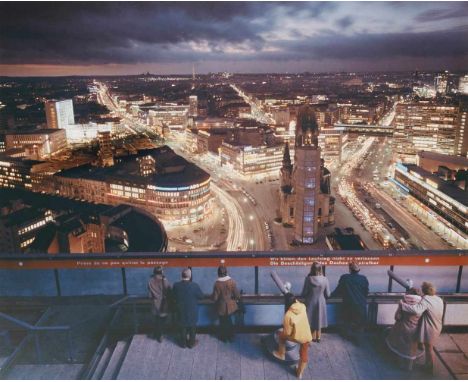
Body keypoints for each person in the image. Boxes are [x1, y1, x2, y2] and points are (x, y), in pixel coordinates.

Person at [400, 282, 443, 375]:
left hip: (430, 327)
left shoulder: (426, 299)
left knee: (429, 349)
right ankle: (427, 365)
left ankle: (430, 370)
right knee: (429, 347)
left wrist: (402, 305)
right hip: (438, 325)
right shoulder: (438, 298)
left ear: (424, 290)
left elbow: (416, 309)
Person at [273, 297, 312, 379]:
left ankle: (281, 354)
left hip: (297, 337)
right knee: (304, 354)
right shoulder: (302, 306)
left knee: (281, 336)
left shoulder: (288, 315)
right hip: (307, 335)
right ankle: (299, 373)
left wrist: (283, 332)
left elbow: (287, 333)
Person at [385, 288, 424, 370]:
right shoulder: (421, 304)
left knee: (400, 348)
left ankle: (400, 365)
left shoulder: (403, 303)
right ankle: (409, 367)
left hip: (402, 328)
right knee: (411, 349)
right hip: (415, 330)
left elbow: (397, 317)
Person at [331, 262, 369, 342]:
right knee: (359, 324)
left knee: (347, 321)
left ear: (350, 269)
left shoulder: (345, 278)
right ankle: (358, 340)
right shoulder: (364, 279)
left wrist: (329, 295)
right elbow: (366, 292)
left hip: (348, 305)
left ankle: (347, 337)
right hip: (361, 305)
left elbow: (338, 290)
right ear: (359, 270)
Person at [172, 268, 204, 348]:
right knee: (192, 326)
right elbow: (201, 296)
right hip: (192, 310)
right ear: (190, 276)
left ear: (181, 275)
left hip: (180, 309)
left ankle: (183, 343)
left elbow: (173, 296)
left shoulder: (176, 285)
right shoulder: (194, 285)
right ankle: (191, 343)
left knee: (182, 326)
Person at [301, 262, 330, 343]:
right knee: (319, 318)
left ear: (312, 269)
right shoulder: (325, 279)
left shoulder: (308, 279)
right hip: (321, 301)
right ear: (320, 269)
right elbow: (328, 294)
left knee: (311, 319)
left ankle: (312, 337)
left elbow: (304, 293)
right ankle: (318, 337)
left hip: (310, 301)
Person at [211, 266, 241, 342]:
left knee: (222, 322)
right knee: (229, 321)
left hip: (221, 307)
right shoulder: (232, 282)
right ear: (226, 272)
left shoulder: (217, 284)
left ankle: (224, 338)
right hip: (231, 306)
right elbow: (237, 295)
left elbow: (215, 298)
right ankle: (231, 336)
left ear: (218, 274)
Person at [147, 266, 171, 342]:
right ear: (161, 272)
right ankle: (160, 335)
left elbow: (150, 295)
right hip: (163, 303)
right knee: (163, 320)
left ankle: (156, 333)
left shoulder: (150, 281)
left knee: (156, 319)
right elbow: (169, 291)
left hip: (155, 303)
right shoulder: (165, 281)